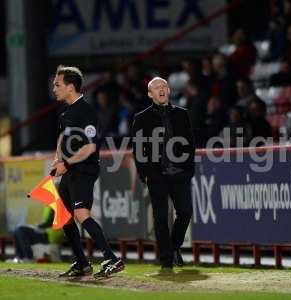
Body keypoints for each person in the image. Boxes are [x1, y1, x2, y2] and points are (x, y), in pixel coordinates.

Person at [51, 65, 124, 278]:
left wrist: (67, 164)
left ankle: (111, 258)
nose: (54, 89)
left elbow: (90, 147)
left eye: (57, 85)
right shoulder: (66, 112)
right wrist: (57, 158)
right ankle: (81, 263)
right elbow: (63, 137)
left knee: (81, 214)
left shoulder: (86, 111)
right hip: (70, 171)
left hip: (83, 170)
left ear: (71, 87)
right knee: (64, 216)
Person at [131, 77, 195, 272]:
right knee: (160, 218)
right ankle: (167, 259)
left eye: (164, 86)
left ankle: (174, 247)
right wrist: (145, 174)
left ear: (168, 91)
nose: (161, 89)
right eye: (156, 87)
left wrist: (188, 169)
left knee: (185, 212)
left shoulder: (182, 114)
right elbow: (138, 149)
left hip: (179, 173)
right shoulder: (141, 118)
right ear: (150, 94)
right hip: (156, 175)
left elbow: (190, 143)